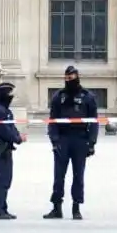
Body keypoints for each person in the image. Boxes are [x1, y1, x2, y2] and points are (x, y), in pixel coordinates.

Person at [44, 66, 98, 220]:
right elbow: (52, 121)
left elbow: (93, 122)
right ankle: (56, 208)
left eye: (72, 78)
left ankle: (76, 207)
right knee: (58, 176)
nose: (69, 81)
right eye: (67, 79)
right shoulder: (58, 97)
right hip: (62, 139)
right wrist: (54, 140)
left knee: (78, 176)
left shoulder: (88, 97)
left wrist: (91, 143)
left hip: (80, 139)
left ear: (77, 77)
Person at [0, 82, 25, 220]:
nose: (11, 97)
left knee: (6, 179)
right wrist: (18, 138)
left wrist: (18, 136)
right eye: (9, 94)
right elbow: (5, 131)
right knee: (3, 179)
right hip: (2, 147)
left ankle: (3, 208)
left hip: (7, 147)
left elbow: (12, 127)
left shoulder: (5, 111)